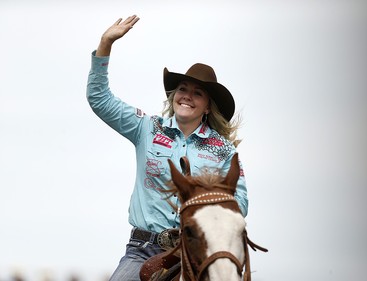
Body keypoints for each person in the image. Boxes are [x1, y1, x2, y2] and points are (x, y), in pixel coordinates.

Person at [86, 15, 249, 281]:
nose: (187, 96)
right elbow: (100, 99)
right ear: (174, 97)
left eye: (198, 93)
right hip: (143, 249)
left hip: (199, 250)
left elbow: (239, 202)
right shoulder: (147, 128)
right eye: (183, 89)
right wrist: (105, 44)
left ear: (208, 106)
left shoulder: (223, 150)